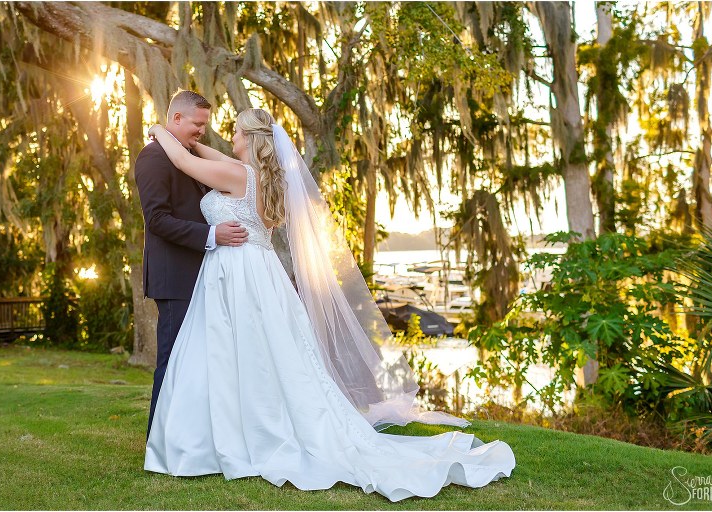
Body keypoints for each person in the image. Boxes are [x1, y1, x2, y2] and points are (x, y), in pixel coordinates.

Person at [144, 108, 516, 502]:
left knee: (240, 353)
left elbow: (185, 161)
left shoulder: (240, 176)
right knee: (260, 355)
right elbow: (203, 153)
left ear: (250, 140)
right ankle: (238, 428)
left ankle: (234, 435)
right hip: (256, 272)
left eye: (235, 133)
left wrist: (157, 128)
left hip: (238, 272)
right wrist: (190, 136)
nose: (228, 140)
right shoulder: (262, 177)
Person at [134, 90, 248, 439]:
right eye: (197, 124)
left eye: (205, 125)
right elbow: (157, 220)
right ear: (177, 119)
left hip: (203, 273)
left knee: (198, 360)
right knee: (172, 359)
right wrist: (212, 234)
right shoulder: (153, 157)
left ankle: (192, 435)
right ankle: (160, 437)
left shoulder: (186, 156)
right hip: (175, 276)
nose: (201, 131)